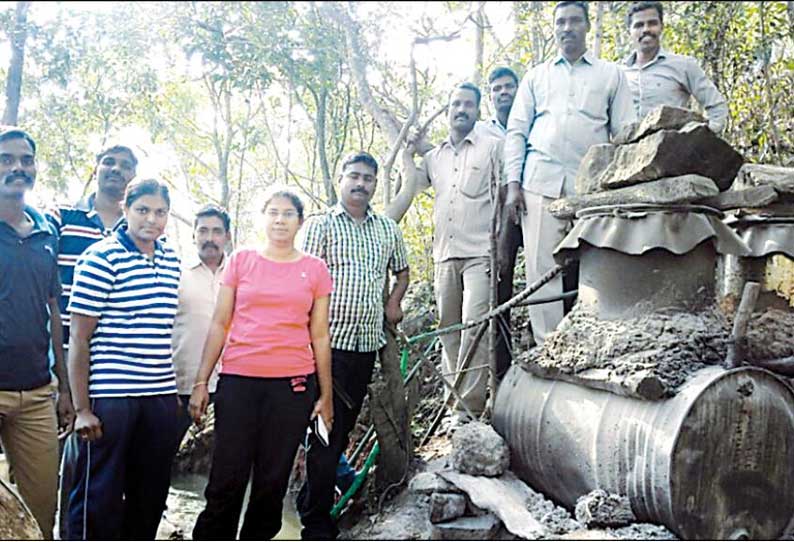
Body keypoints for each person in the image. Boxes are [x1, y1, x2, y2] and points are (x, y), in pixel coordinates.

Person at [190, 187, 334, 540]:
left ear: (300, 221)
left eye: (288, 213)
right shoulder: (241, 260)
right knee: (228, 475)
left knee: (272, 480)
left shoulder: (315, 269)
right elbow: (220, 322)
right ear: (263, 218)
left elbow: (319, 335)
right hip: (239, 382)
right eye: (273, 212)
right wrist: (200, 382)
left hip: (292, 387)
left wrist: (326, 395)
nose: (280, 219)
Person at [504, 0, 637, 345]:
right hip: (539, 183)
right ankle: (548, 346)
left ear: (587, 26)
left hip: (590, 190)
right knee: (542, 270)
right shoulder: (536, 76)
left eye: (574, 20)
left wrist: (617, 187)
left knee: (597, 268)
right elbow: (516, 132)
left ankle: (592, 342)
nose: (567, 27)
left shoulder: (610, 74)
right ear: (554, 28)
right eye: (560, 21)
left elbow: (624, 133)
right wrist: (513, 185)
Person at [298, 151, 409, 540]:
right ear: (341, 179)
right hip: (325, 347)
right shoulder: (321, 225)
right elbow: (302, 281)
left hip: (365, 346)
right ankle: (315, 520)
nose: (361, 184)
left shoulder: (385, 229)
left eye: (368, 178)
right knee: (323, 432)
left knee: (339, 435)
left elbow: (403, 270)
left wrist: (393, 303)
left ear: (377, 184)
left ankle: (309, 504)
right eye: (355, 176)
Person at [66, 178, 181, 540]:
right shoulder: (101, 257)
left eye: (160, 212)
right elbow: (79, 339)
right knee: (98, 493)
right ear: (125, 210)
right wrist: (82, 408)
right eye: (143, 210)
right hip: (111, 396)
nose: (152, 219)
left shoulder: (172, 260)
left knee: (151, 491)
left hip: (160, 394)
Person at [392, 82, 504, 422]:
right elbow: (410, 183)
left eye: (468, 104)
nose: (461, 109)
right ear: (448, 108)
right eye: (456, 103)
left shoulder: (492, 148)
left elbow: (504, 196)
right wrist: (405, 151)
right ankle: (452, 402)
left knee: (475, 327)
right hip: (444, 254)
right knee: (448, 330)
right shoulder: (435, 157)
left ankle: (467, 410)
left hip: (480, 252)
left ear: (477, 110)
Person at [46, 143, 137, 539]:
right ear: (96, 168)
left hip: (115, 361)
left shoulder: (137, 229)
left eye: (125, 166)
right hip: (64, 352)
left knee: (94, 459)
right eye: (109, 163)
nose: (116, 171)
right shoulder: (62, 219)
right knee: (61, 457)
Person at [0, 127, 74, 539]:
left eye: (25, 160)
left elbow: (54, 309)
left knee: (41, 512)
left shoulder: (47, 231)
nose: (17, 167)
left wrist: (63, 388)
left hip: (36, 393)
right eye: (7, 159)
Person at [478, 66, 527, 375]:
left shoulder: (531, 122)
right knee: (500, 284)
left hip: (532, 206)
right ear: (490, 95)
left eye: (508, 86)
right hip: (499, 217)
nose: (503, 92)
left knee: (546, 278)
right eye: (497, 88)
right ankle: (501, 370)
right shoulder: (482, 131)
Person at [171, 204, 231, 449]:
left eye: (217, 231)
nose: (209, 238)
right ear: (193, 235)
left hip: (231, 383)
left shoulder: (241, 274)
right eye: (203, 231)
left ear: (227, 236)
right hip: (181, 383)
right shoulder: (175, 272)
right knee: (161, 454)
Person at [622, 1, 728, 133]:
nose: (646, 29)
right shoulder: (619, 73)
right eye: (639, 25)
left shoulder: (683, 66)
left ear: (662, 26)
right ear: (629, 32)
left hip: (671, 149)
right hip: (628, 151)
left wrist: (704, 138)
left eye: (652, 23)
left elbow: (717, 106)